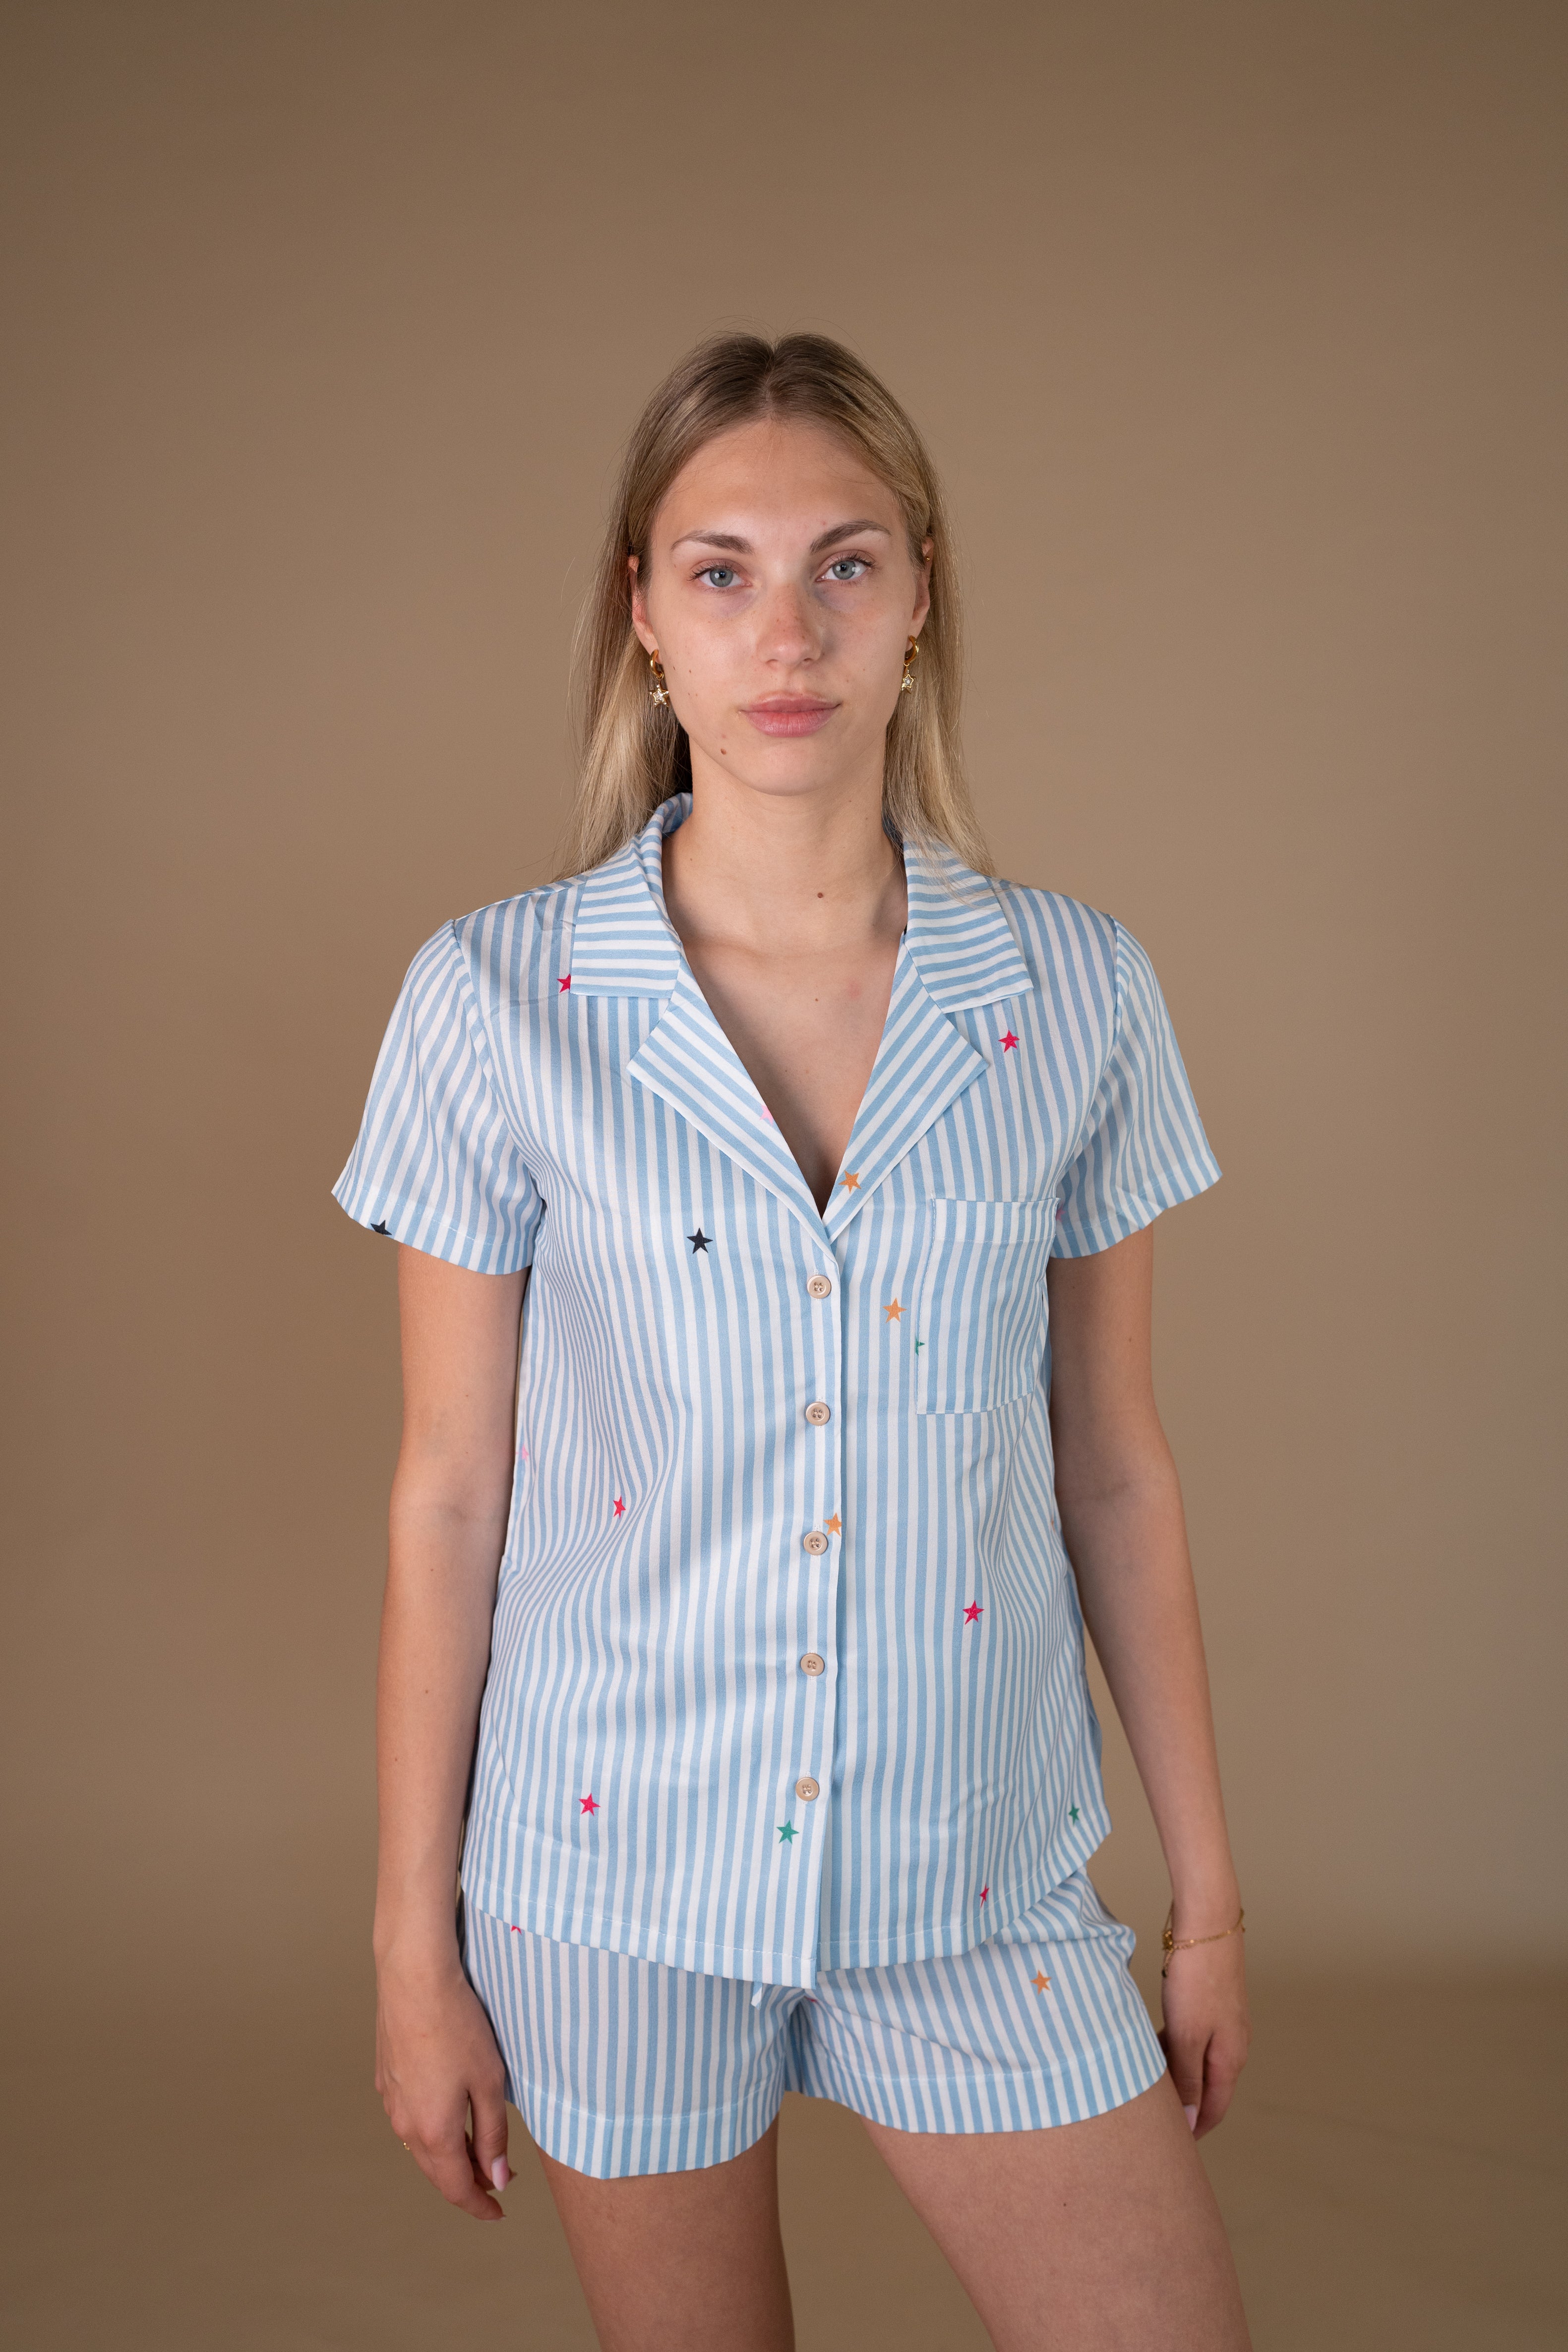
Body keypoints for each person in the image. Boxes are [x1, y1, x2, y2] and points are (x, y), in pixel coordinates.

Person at [334, 331, 1252, 2351]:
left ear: (920, 596)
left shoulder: (1072, 992)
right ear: (641, 614)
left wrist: (1204, 1896)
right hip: (613, 1882)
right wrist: (413, 1948)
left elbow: (1111, 1465)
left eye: (844, 563)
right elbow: (451, 1493)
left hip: (977, 1868)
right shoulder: (495, 1001)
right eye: (721, 569)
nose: (786, 631)